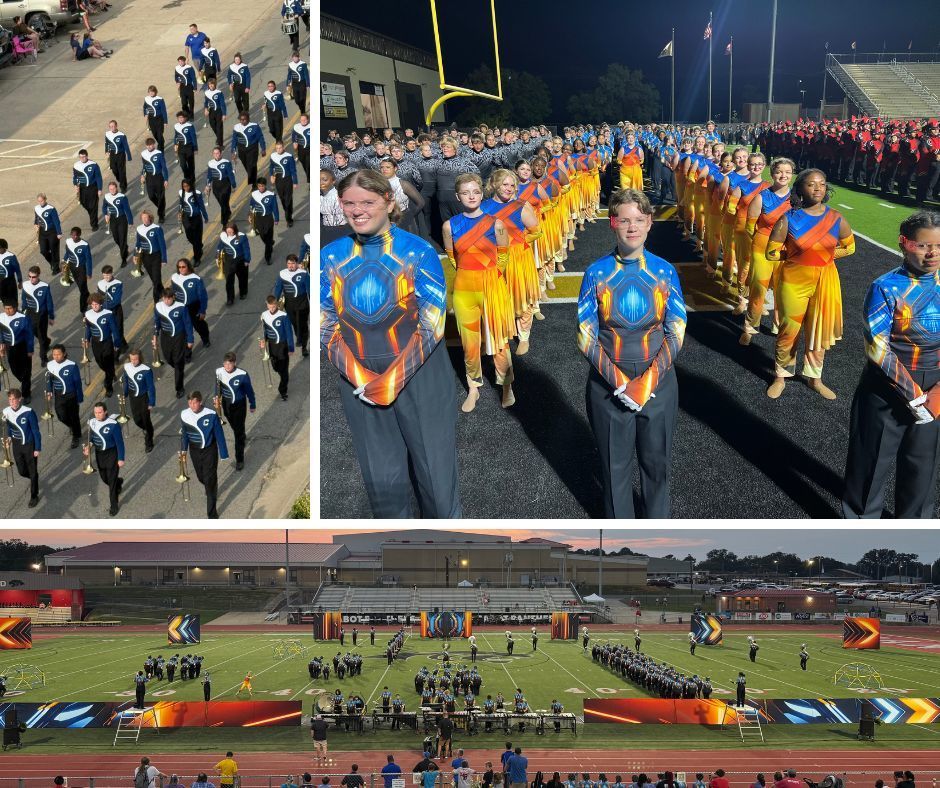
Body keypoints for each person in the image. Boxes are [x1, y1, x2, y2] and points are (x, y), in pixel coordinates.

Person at [321, 169, 461, 518]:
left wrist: (390, 380)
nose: (357, 210)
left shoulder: (418, 251)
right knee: (384, 490)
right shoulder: (331, 255)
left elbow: (432, 324)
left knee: (437, 484)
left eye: (367, 202)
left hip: (421, 377)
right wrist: (362, 376)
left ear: (388, 201)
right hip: (360, 382)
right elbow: (325, 325)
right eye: (349, 203)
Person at [578, 188, 686, 518]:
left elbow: (677, 329)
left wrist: (648, 381)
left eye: (639, 219)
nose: (632, 226)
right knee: (615, 470)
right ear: (611, 223)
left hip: (660, 381)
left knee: (656, 466)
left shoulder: (665, 271)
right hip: (609, 385)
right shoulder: (595, 273)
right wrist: (622, 383)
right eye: (623, 219)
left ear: (650, 223)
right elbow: (586, 336)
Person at [842, 210, 940, 518]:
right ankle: (861, 529)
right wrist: (914, 395)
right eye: (923, 245)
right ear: (905, 244)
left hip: (935, 385)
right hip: (887, 387)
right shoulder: (885, 286)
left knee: (922, 469)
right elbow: (877, 348)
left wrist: (937, 393)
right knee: (870, 466)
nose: (933, 253)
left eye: (939, 245)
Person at [765, 168, 855, 400]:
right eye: (812, 184)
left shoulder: (836, 218)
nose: (817, 188)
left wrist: (824, 257)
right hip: (793, 282)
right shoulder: (788, 218)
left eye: (822, 184)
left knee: (818, 330)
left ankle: (815, 378)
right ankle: (780, 376)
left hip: (825, 281)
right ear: (800, 189)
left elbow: (850, 246)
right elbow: (771, 252)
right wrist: (796, 257)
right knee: (789, 330)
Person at [443, 172, 516, 411]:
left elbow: (504, 256)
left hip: (492, 287)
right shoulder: (449, 225)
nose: (471, 196)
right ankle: (473, 386)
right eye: (466, 192)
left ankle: (506, 385)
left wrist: (490, 277)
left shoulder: (496, 223)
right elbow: (452, 257)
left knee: (499, 340)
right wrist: (469, 274)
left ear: (481, 192)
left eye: (475, 191)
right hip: (464, 288)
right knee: (469, 342)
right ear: (458, 196)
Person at [740, 158, 794, 343]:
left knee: (783, 289)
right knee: (758, 288)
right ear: (772, 174)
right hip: (762, 247)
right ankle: (750, 326)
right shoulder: (761, 196)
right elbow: (750, 226)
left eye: (787, 171)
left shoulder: (796, 198)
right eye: (779, 171)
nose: (783, 175)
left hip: (786, 249)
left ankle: (778, 324)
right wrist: (763, 241)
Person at [180, 390, 229, 518]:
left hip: (209, 450)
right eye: (189, 403)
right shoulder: (184, 414)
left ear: (200, 402)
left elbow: (219, 435)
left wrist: (223, 453)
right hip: (194, 450)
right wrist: (183, 450)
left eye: (194, 403)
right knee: (201, 477)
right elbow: (185, 433)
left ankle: (212, 514)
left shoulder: (211, 415)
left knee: (209, 480)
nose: (192, 405)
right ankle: (211, 486)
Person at [85, 400, 125, 515]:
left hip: (112, 453)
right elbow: (92, 438)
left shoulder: (113, 424)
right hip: (99, 454)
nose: (97, 415)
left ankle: (114, 505)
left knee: (111, 483)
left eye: (100, 412)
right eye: (95, 412)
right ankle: (118, 482)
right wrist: (89, 446)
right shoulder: (92, 422)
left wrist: (121, 458)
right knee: (104, 478)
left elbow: (119, 442)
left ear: (105, 412)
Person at [154, 287, 194, 399]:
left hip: (179, 337)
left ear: (173, 297)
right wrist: (155, 335)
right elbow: (156, 322)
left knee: (177, 362)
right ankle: (179, 367)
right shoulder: (158, 306)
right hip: (165, 337)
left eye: (169, 299)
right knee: (168, 358)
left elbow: (187, 323)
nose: (166, 301)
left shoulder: (181, 307)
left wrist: (190, 339)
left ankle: (179, 387)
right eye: (164, 298)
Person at [84, 292, 121, 397]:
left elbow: (114, 330)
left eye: (96, 304)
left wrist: (117, 343)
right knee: (99, 361)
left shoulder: (108, 314)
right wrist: (86, 339)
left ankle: (108, 386)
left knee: (107, 361)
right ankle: (111, 372)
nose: (94, 306)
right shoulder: (88, 314)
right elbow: (88, 328)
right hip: (95, 343)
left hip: (107, 342)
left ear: (101, 304)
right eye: (92, 304)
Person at [46, 345, 82, 449]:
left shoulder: (72, 365)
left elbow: (77, 382)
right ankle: (72, 426)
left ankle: (76, 436)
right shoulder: (50, 365)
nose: (56, 356)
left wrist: (79, 397)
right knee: (61, 416)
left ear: (64, 353)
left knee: (74, 417)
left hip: (71, 395)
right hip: (59, 395)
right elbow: (49, 379)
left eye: (58, 354)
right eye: (54, 354)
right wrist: (49, 391)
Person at [273, 253, 309, 357]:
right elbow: (278, 289)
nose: (290, 266)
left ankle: (304, 347)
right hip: (289, 304)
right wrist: (274, 302)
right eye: (289, 264)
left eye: (293, 263)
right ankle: (299, 336)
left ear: (296, 263)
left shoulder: (303, 273)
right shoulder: (282, 274)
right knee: (294, 323)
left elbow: (310, 289)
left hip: (302, 303)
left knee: (303, 324)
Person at [260, 295, 294, 401]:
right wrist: (263, 341)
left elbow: (289, 332)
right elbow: (265, 330)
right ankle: (282, 375)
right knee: (275, 367)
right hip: (272, 345)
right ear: (267, 305)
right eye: (269, 307)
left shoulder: (283, 315)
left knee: (284, 372)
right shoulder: (264, 315)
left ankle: (283, 390)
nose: (271, 309)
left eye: (273, 307)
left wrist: (291, 348)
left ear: (277, 305)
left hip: (283, 346)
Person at [122, 348, 156, 452]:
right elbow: (126, 380)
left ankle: (149, 441)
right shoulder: (127, 367)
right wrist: (125, 393)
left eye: (135, 359)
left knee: (146, 420)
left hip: (143, 398)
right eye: (131, 359)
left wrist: (151, 402)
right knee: (137, 420)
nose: (133, 362)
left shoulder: (146, 370)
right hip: (133, 397)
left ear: (139, 358)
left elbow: (151, 387)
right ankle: (147, 429)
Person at [0, 301, 34, 405]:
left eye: (10, 308)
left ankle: (26, 394)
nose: (7, 310)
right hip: (10, 348)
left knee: (26, 372)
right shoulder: (1, 317)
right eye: (6, 308)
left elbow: (29, 335)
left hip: (22, 347)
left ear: (15, 307)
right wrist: (1, 342)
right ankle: (24, 380)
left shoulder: (23, 317)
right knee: (14, 370)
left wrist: (30, 349)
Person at [215, 222, 250, 306]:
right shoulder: (223, 237)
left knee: (242, 278)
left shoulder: (241, 237)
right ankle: (230, 298)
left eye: (231, 232)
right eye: (228, 232)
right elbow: (219, 247)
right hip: (228, 261)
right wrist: (217, 257)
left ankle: (243, 292)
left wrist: (247, 260)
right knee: (229, 281)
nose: (230, 233)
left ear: (235, 230)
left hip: (240, 260)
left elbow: (246, 249)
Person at [103, 181, 134, 267]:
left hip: (122, 220)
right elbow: (104, 207)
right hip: (113, 220)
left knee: (122, 239)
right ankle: (125, 248)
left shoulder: (122, 197)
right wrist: (106, 214)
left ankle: (123, 258)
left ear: (116, 188)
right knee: (116, 239)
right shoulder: (106, 197)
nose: (112, 190)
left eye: (113, 188)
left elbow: (127, 209)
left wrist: (130, 221)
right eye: (110, 189)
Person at [231, 112, 266, 189]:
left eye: (244, 119)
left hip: (252, 149)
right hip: (241, 150)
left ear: (248, 119)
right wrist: (233, 151)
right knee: (247, 166)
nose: (242, 121)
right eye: (241, 120)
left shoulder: (255, 126)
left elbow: (260, 137)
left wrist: (263, 148)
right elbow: (234, 140)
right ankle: (253, 177)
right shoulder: (236, 127)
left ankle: (254, 184)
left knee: (252, 166)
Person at [64, 226, 93, 315]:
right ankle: (91, 298)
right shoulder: (68, 242)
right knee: (82, 288)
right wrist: (63, 261)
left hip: (81, 269)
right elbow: (68, 253)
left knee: (82, 289)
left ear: (79, 235)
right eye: (72, 235)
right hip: (72, 268)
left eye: (76, 235)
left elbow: (88, 259)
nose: (74, 237)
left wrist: (89, 272)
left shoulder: (84, 245)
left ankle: (83, 309)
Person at [140, 137, 169, 225]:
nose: (149, 147)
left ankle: (161, 215)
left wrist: (166, 179)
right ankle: (162, 208)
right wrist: (142, 175)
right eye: (148, 145)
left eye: (151, 145)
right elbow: (144, 166)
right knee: (151, 196)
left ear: (154, 145)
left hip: (159, 177)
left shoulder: (159, 153)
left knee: (161, 197)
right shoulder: (143, 154)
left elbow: (164, 167)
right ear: (146, 146)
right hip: (149, 178)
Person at [249, 179, 279, 264]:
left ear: (265, 185)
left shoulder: (271, 195)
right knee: (262, 236)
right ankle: (269, 243)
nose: (261, 188)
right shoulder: (254, 194)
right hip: (258, 218)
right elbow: (251, 206)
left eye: (262, 186)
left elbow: (275, 208)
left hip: (268, 218)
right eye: (259, 186)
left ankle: (268, 258)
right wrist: (250, 215)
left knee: (268, 238)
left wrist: (276, 219)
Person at [206, 146, 237, 227]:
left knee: (223, 204)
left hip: (225, 185)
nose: (216, 155)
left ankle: (224, 223)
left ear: (221, 153)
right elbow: (209, 175)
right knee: (223, 204)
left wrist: (233, 185)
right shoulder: (210, 163)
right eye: (214, 153)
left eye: (218, 153)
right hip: (216, 186)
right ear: (213, 154)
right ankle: (228, 212)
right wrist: (208, 185)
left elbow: (230, 174)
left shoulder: (226, 162)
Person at [73, 149, 103, 231]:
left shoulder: (94, 165)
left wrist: (99, 189)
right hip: (82, 188)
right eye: (80, 157)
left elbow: (98, 177)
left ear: (87, 156)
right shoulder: (76, 165)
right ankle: (92, 215)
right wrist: (75, 184)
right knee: (83, 203)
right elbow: (75, 177)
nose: (82, 158)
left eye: (84, 156)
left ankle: (94, 225)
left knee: (93, 206)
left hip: (93, 188)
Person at [270, 141, 298, 227]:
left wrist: (295, 182)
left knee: (288, 200)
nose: (278, 150)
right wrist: (271, 176)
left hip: (288, 180)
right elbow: (271, 167)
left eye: (280, 148)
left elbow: (293, 170)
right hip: (278, 180)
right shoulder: (273, 156)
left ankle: (289, 219)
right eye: (277, 148)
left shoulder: (289, 157)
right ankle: (288, 211)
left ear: (283, 147)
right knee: (282, 199)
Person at [34, 193, 63, 276]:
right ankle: (52, 263)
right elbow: (36, 218)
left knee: (54, 250)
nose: (40, 203)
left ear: (45, 199)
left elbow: (56, 221)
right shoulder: (36, 208)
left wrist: (59, 232)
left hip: (52, 232)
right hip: (42, 233)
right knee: (43, 251)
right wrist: (35, 224)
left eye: (42, 201)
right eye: (39, 201)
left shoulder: (51, 209)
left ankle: (56, 268)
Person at [104, 120, 132, 193]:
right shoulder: (107, 134)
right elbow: (106, 143)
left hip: (121, 155)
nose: (112, 127)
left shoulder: (122, 135)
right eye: (111, 126)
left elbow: (126, 146)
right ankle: (121, 180)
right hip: (112, 154)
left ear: (116, 126)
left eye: (114, 126)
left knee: (121, 171)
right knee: (114, 169)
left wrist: (129, 156)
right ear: (109, 127)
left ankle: (123, 187)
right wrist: (106, 151)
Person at [173, 111, 199, 183]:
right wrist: (175, 144)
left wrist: (195, 148)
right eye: (179, 118)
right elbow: (176, 136)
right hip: (181, 147)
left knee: (191, 165)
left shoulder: (189, 126)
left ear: (185, 118)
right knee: (182, 165)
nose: (180, 119)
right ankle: (187, 177)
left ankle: (192, 179)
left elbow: (193, 137)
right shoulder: (176, 126)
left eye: (182, 117)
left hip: (189, 147)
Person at [204, 78, 228, 149]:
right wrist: (206, 109)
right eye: (210, 84)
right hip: (211, 111)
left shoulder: (219, 92)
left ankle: (221, 144)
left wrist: (224, 114)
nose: (211, 85)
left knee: (219, 128)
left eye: (212, 84)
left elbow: (222, 104)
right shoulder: (206, 92)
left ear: (215, 85)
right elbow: (206, 102)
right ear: (208, 85)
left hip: (218, 112)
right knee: (212, 125)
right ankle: (218, 137)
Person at [143, 86, 168, 152]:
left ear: (155, 92)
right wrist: (145, 114)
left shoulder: (160, 99)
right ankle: (161, 142)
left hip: (159, 119)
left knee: (159, 135)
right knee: (155, 134)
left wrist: (165, 121)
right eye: (150, 91)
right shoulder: (146, 99)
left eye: (153, 91)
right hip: (151, 119)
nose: (151, 93)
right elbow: (145, 107)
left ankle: (161, 149)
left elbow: (163, 111)